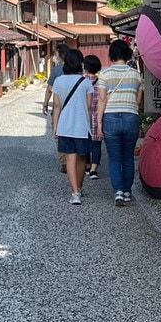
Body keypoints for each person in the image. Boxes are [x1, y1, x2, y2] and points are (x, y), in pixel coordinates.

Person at [95, 39, 144, 206]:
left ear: (112, 55)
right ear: (128, 55)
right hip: (131, 116)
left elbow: (102, 100)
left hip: (111, 118)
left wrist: (99, 123)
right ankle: (128, 191)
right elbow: (138, 101)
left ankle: (118, 192)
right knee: (128, 157)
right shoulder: (136, 75)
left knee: (114, 158)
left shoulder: (105, 74)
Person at [52, 49, 95, 205]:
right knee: (82, 159)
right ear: (80, 63)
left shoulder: (59, 81)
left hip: (64, 126)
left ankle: (75, 192)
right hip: (82, 126)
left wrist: (55, 127)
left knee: (70, 159)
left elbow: (57, 106)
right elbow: (90, 107)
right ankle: (79, 188)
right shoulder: (86, 82)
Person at [42, 42, 69, 173]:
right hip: (74, 107)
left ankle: (64, 161)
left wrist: (45, 103)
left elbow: (49, 89)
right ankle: (78, 159)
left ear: (61, 55)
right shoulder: (76, 68)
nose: (54, 56)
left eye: (55, 54)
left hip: (60, 106)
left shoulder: (57, 70)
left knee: (59, 133)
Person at [83, 54, 102, 180]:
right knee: (96, 144)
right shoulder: (101, 83)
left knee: (84, 142)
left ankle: (87, 165)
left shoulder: (81, 81)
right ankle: (94, 169)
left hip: (84, 116)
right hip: (97, 117)